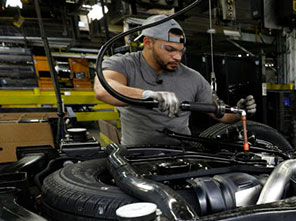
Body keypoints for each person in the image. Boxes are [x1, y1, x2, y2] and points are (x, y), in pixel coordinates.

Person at [94, 15, 256, 146]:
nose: (177, 57)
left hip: (182, 155)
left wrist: (238, 111)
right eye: (170, 50)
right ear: (148, 43)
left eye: (180, 51)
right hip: (136, 157)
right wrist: (148, 95)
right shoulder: (124, 64)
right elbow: (104, 89)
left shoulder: (192, 77)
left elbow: (220, 114)